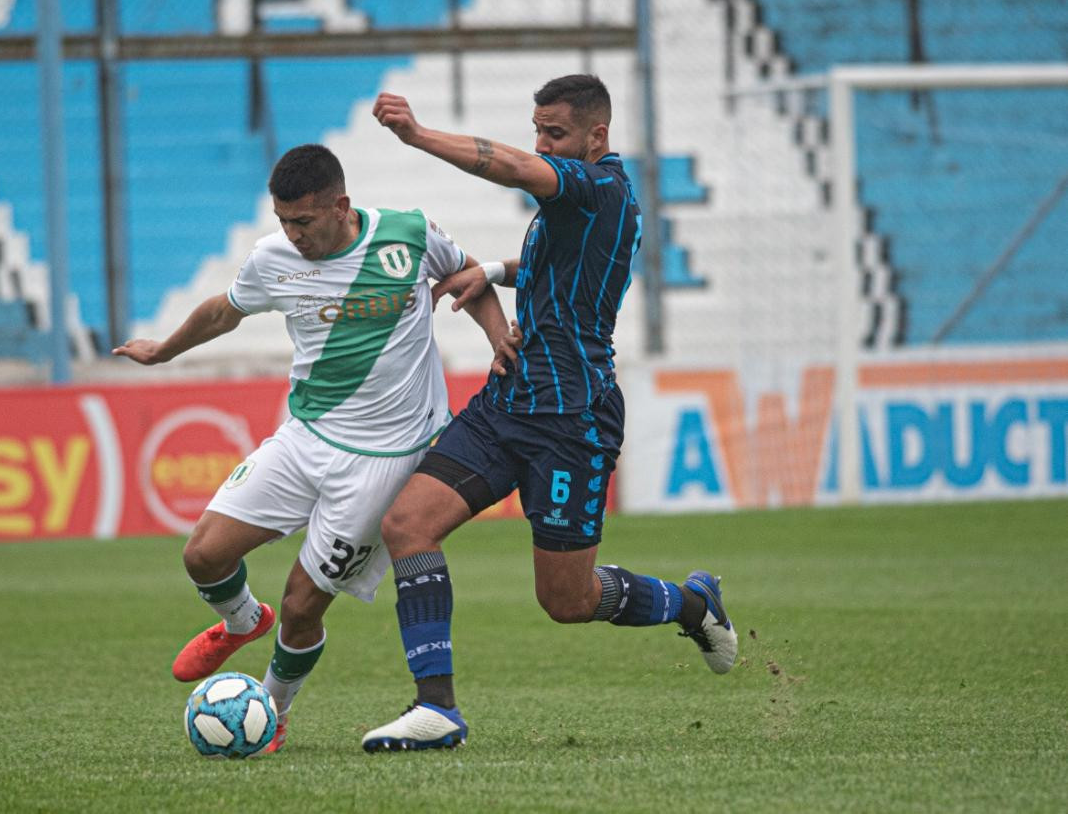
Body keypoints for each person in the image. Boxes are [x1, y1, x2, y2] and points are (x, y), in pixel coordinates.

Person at [361, 75, 738, 752]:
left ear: (598, 137)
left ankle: (691, 603)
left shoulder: (597, 187)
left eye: (555, 134)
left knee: (565, 600)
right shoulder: (589, 195)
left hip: (573, 419)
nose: (542, 146)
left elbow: (506, 164)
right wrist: (498, 272)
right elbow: (563, 256)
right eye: (537, 131)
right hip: (510, 400)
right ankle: (436, 707)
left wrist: (417, 136)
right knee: (407, 523)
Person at [113, 143, 514, 754]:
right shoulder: (273, 258)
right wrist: (163, 350)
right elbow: (224, 312)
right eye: (283, 221)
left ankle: (270, 712)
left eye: (302, 221)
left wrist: (498, 338)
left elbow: (472, 276)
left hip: (384, 461)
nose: (292, 234)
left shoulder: (407, 235)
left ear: (340, 206)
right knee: (202, 556)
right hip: (303, 439)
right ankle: (243, 621)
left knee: (303, 605)